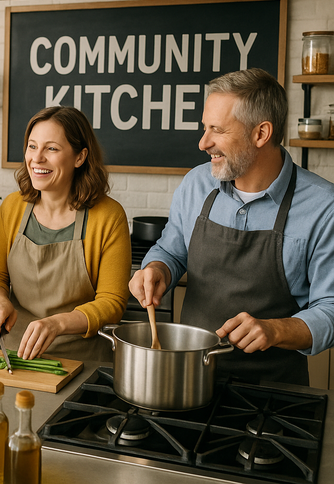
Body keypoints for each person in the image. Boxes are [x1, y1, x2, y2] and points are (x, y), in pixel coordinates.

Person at [129, 68, 334, 386]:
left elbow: (331, 308)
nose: (203, 142)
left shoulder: (324, 206)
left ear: (261, 134)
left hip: (275, 393)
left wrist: (275, 330)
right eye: (204, 128)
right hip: (190, 381)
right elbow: (171, 249)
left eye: (217, 130)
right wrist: (158, 269)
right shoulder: (196, 184)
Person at [0, 106, 131, 362]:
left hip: (82, 360)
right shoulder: (12, 207)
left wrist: (57, 324)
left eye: (51, 149)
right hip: (16, 356)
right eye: (32, 146)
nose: (37, 158)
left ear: (80, 157)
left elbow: (112, 302)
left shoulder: (109, 216)